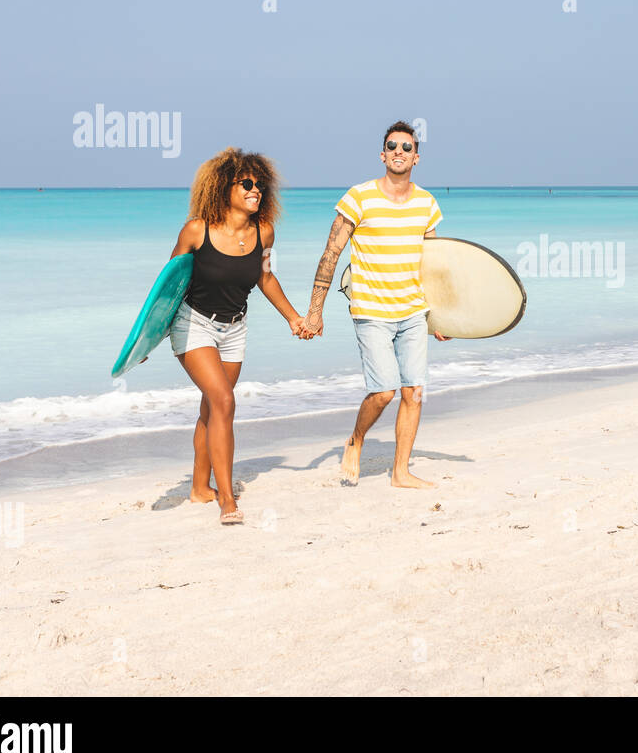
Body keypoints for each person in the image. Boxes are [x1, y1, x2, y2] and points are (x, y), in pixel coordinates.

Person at [300, 121, 449, 489]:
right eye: (392, 146)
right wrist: (314, 311)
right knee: (384, 391)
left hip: (414, 311)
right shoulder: (359, 197)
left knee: (413, 391)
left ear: (417, 157)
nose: (399, 151)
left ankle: (401, 472)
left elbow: (435, 262)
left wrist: (442, 314)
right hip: (371, 310)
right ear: (383, 155)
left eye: (406, 147)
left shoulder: (427, 203)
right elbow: (331, 253)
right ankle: (357, 438)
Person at [169, 148, 307, 524]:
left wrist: (294, 318)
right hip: (192, 323)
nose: (255, 189)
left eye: (260, 184)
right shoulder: (197, 231)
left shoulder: (264, 232)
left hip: (234, 329)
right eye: (246, 183)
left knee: (212, 408)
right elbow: (167, 286)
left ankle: (199, 488)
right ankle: (226, 498)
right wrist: (146, 339)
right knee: (225, 402)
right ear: (222, 186)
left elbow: (264, 277)